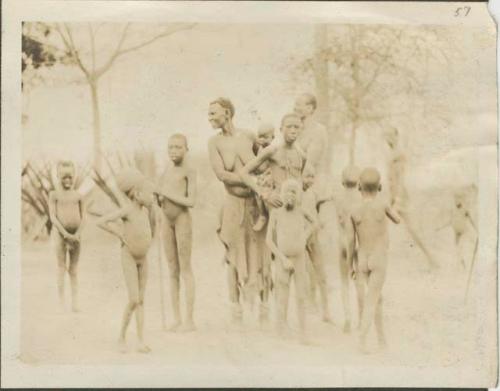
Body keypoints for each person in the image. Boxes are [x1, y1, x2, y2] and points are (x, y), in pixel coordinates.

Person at [207, 97, 271, 324]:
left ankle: (264, 307)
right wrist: (247, 181)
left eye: (213, 113)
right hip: (233, 204)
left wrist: (261, 183)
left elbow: (264, 161)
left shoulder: (248, 136)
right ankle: (236, 310)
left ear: (226, 112)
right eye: (208, 114)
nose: (210, 118)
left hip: (256, 205)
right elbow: (221, 174)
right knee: (234, 256)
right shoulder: (213, 143)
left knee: (260, 255)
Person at [96, 169, 155, 353]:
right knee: (133, 299)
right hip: (129, 257)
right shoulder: (127, 210)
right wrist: (119, 233)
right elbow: (102, 221)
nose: (152, 195)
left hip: (143, 259)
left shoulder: (146, 211)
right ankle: (121, 336)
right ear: (137, 194)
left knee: (141, 300)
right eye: (149, 193)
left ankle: (140, 341)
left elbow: (149, 229)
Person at [351, 168, 400, 353]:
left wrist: (350, 265)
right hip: (379, 258)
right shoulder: (383, 204)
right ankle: (361, 340)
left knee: (376, 299)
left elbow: (350, 241)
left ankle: (381, 341)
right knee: (373, 300)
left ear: (359, 187)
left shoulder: (354, 210)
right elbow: (398, 219)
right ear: (379, 186)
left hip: (362, 258)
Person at [266, 179, 317, 344]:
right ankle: (280, 331)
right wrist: (282, 258)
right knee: (282, 295)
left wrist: (305, 235)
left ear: (298, 196)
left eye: (294, 192)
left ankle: (304, 332)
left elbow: (315, 223)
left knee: (301, 295)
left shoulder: (301, 212)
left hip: (300, 259)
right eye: (287, 191)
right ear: (282, 194)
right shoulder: (276, 213)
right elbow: (269, 241)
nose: (290, 195)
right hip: (283, 260)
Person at [157, 133, 197, 332]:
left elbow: (191, 201)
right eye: (170, 147)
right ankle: (177, 319)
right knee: (172, 270)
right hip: (166, 221)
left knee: (185, 268)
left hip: (182, 220)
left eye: (178, 147)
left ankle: (189, 320)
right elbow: (161, 195)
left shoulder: (189, 170)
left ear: (186, 149)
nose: (173, 151)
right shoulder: (166, 170)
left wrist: (166, 194)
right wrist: (158, 197)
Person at [384, 127, 438, 270]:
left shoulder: (398, 155)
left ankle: (432, 260)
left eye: (390, 135)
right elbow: (391, 179)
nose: (387, 138)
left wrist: (397, 198)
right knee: (403, 229)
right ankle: (431, 260)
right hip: (393, 196)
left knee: (412, 230)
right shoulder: (392, 154)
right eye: (386, 136)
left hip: (400, 196)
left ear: (396, 136)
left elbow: (400, 178)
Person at [48, 160, 86, 312]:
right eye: (64, 177)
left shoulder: (79, 196)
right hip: (60, 236)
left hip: (76, 237)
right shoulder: (54, 195)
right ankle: (61, 302)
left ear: (74, 176)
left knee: (74, 269)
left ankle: (75, 302)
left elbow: (84, 217)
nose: (68, 180)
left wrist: (76, 234)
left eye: (70, 176)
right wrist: (64, 234)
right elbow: (52, 216)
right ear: (58, 176)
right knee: (61, 267)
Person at [239, 113, 306, 199]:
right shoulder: (272, 150)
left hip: (296, 205)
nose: (293, 131)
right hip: (277, 203)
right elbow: (243, 172)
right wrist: (262, 193)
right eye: (289, 127)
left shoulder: (301, 154)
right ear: (281, 129)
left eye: (296, 127)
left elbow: (300, 179)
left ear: (300, 130)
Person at [335, 165, 363, 332]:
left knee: (344, 281)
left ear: (342, 181)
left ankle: (347, 317)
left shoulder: (339, 198)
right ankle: (360, 319)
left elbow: (340, 220)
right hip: (359, 243)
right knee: (359, 282)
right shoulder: (361, 198)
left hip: (343, 241)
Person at [301, 166, 331, 323]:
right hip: (299, 236)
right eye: (306, 176)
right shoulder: (296, 193)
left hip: (313, 236)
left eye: (312, 177)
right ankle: (306, 305)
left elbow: (317, 211)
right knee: (304, 272)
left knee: (320, 272)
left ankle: (326, 310)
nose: (309, 180)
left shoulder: (313, 193)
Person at [251, 122, 276, 231]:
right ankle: (262, 215)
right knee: (257, 191)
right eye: (260, 137)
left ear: (273, 137)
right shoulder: (259, 148)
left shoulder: (273, 149)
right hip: (261, 176)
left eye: (266, 137)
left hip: (271, 175)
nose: (263, 140)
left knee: (269, 194)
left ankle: (270, 216)